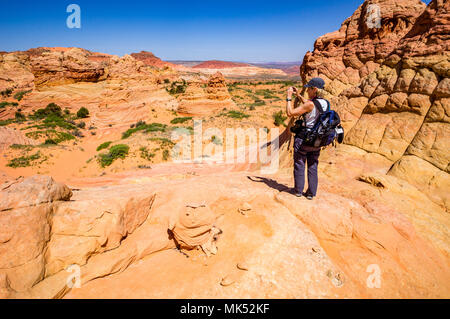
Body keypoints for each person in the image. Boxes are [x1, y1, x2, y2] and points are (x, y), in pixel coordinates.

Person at [285, 77, 329, 200]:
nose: (307, 91)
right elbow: (310, 105)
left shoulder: (310, 104)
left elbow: (290, 112)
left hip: (304, 139)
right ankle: (311, 193)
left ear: (314, 89)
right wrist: (298, 95)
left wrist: (289, 97)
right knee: (313, 165)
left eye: (309, 89)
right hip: (317, 140)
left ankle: (298, 191)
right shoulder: (325, 103)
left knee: (299, 163)